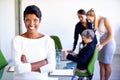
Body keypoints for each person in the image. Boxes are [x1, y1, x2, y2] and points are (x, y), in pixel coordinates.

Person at [12, 5, 56, 80]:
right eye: (28, 20)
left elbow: (51, 67)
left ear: (40, 21)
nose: (31, 24)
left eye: (35, 20)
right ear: (24, 21)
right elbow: (19, 68)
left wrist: (26, 65)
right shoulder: (17, 41)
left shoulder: (48, 41)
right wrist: (43, 63)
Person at [86, 8, 116, 80]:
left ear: (94, 16)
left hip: (109, 44)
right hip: (102, 43)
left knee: (107, 65)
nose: (89, 21)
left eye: (90, 19)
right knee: (101, 63)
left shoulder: (105, 20)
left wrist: (102, 45)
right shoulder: (95, 23)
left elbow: (111, 35)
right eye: (88, 19)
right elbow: (93, 34)